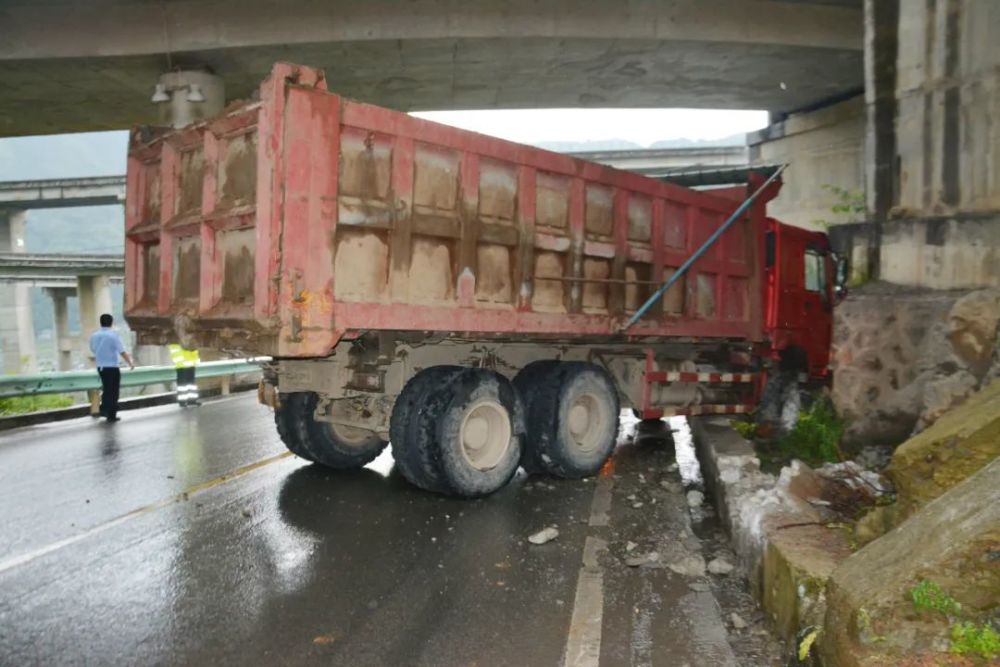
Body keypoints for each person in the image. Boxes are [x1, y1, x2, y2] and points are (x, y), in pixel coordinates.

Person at [89, 313, 134, 422]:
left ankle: (105, 409)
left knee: (107, 389)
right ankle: (110, 414)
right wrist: (130, 363)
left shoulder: (94, 336)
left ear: (101, 322)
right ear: (111, 322)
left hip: (100, 367)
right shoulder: (113, 336)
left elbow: (93, 349)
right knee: (113, 391)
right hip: (112, 367)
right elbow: (122, 351)